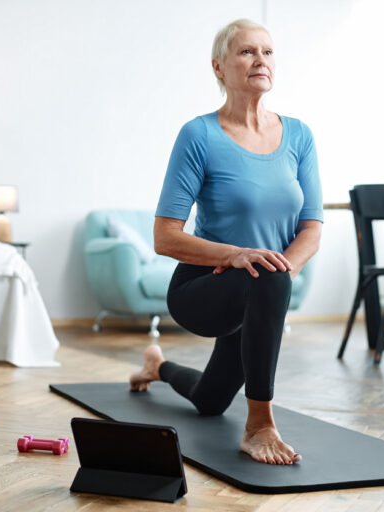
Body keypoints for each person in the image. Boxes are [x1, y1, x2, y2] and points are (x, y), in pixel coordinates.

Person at [129, 18, 322, 466]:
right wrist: (236, 255)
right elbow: (165, 237)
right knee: (267, 277)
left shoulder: (299, 135)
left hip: (262, 291)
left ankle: (157, 366)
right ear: (219, 67)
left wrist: (280, 273)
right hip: (203, 288)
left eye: (268, 52)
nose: (261, 60)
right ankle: (260, 425)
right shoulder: (199, 135)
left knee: (210, 400)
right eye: (247, 52)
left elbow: (311, 227)